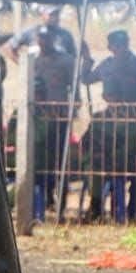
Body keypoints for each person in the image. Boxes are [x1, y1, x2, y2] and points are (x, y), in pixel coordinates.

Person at [80, 30, 136, 222]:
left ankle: (132, 208)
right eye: (115, 45)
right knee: (91, 158)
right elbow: (86, 79)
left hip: (134, 119)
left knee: (127, 161)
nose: (119, 48)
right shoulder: (106, 65)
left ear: (127, 44)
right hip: (110, 119)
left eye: (122, 44)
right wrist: (86, 59)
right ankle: (96, 205)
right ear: (110, 47)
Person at [31, 26, 76, 221]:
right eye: (40, 38)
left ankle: (62, 203)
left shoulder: (66, 61)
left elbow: (75, 90)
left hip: (60, 118)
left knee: (60, 162)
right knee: (41, 162)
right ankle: (46, 199)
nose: (43, 41)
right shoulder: (32, 60)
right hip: (39, 120)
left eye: (47, 38)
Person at [4, 4, 75, 63]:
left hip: (58, 77)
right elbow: (8, 47)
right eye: (51, 15)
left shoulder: (66, 35)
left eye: (56, 14)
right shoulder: (32, 31)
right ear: (43, 15)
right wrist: (24, 66)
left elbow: (74, 57)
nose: (54, 17)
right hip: (36, 78)